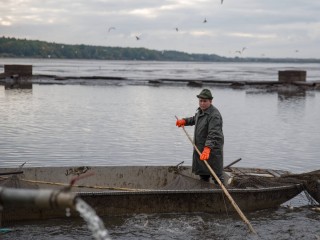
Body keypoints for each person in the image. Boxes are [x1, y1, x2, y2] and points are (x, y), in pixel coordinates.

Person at [176, 89, 224, 183]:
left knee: (216, 176)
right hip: (201, 149)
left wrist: (207, 148)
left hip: (212, 150)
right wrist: (184, 121)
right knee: (203, 174)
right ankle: (205, 194)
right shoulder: (200, 112)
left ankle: (219, 195)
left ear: (210, 101)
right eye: (200, 101)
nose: (202, 103)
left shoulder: (214, 115)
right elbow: (195, 119)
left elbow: (214, 133)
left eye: (205, 101)